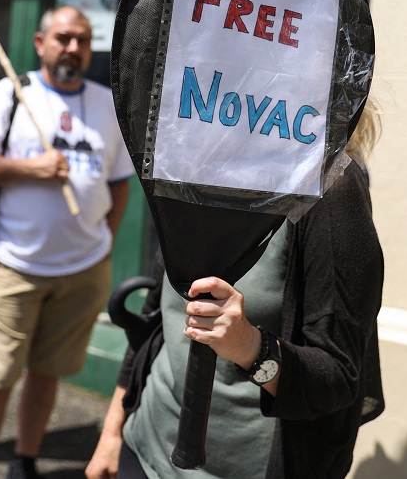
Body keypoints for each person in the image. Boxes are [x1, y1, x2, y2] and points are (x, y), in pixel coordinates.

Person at [86, 100, 384, 479]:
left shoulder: (330, 189)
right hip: (143, 448)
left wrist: (251, 347)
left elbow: (339, 377)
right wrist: (113, 432)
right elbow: (154, 319)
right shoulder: (193, 160)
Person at [0, 6, 135, 479]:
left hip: (83, 269)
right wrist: (30, 168)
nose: (71, 47)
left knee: (47, 372)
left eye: (81, 39)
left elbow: (119, 184)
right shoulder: (13, 95)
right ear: (40, 43)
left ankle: (24, 461)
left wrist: (105, 241)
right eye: (62, 38)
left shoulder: (105, 104)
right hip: (18, 264)